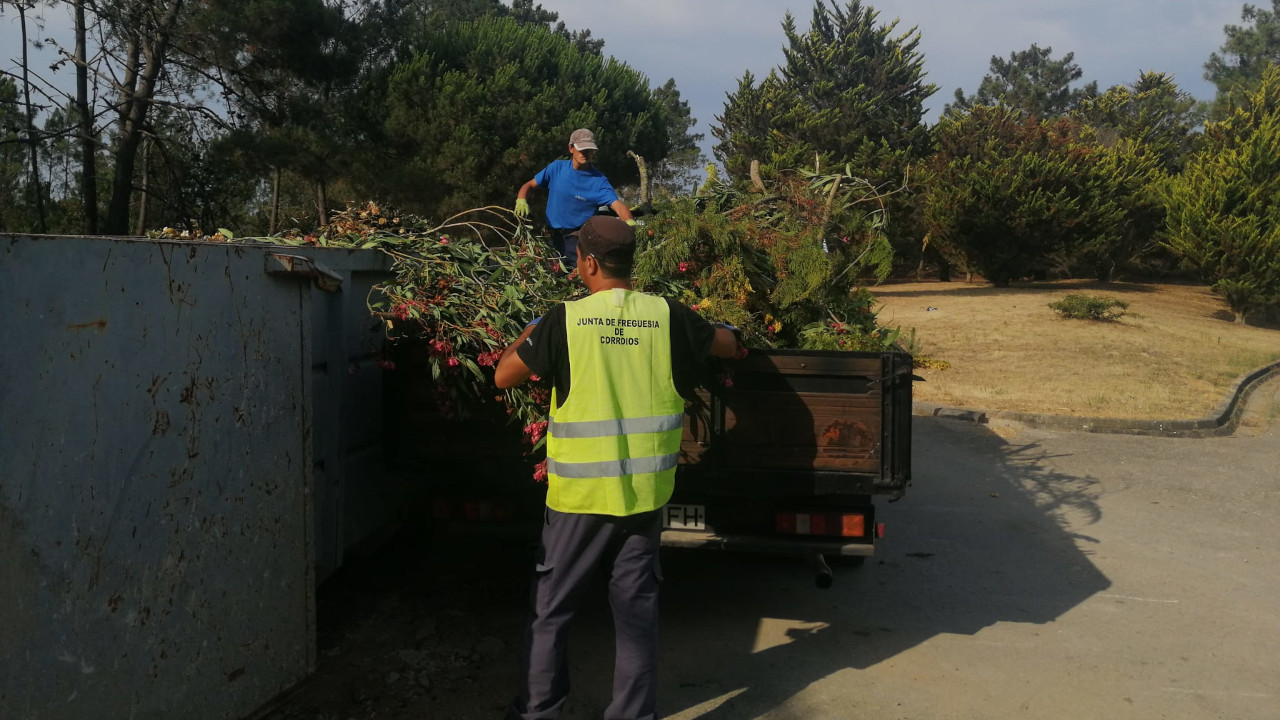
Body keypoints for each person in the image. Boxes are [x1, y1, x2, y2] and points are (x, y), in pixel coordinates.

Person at [494, 216, 743, 720]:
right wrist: (727, 331)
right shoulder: (668, 315)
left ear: (586, 262)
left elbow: (504, 376)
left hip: (578, 502)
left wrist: (531, 329)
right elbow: (729, 345)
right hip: (643, 498)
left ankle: (540, 711)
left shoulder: (563, 319)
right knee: (636, 615)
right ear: (633, 262)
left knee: (552, 612)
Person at [515, 128, 636, 269]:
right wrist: (521, 199)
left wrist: (629, 222)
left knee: (577, 278)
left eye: (590, 150)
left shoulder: (599, 181)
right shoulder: (556, 168)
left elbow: (617, 205)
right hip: (550, 239)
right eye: (582, 149)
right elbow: (529, 185)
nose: (586, 153)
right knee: (549, 277)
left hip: (578, 239)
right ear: (571, 148)